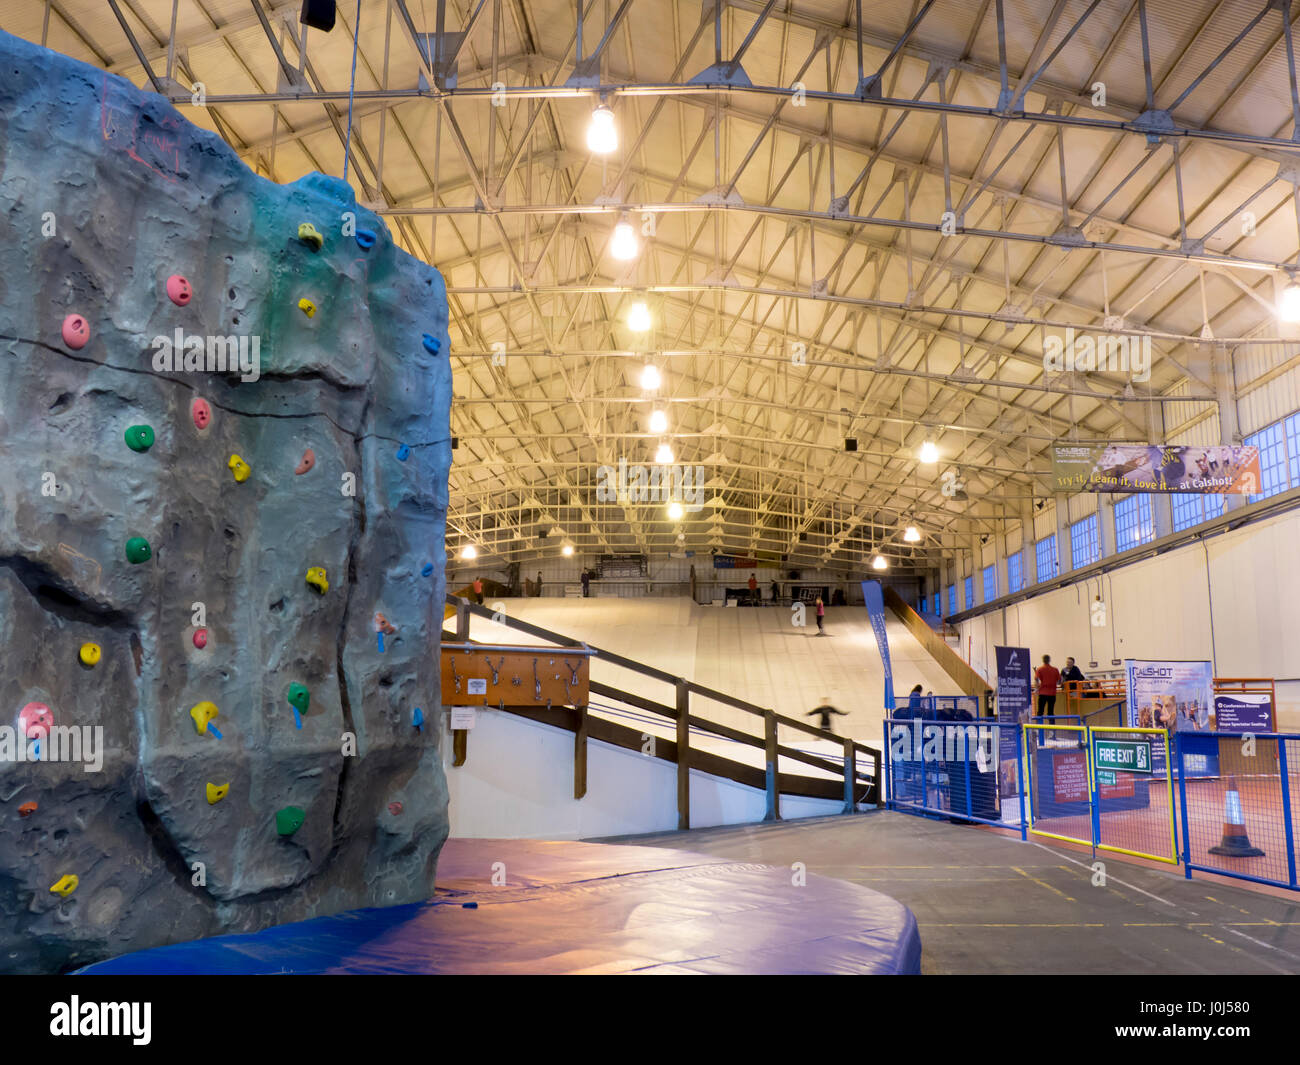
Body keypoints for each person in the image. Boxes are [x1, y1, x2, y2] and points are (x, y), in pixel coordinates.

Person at [1034, 653, 1060, 718]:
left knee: (1040, 711)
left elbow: (1036, 679)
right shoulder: (1055, 669)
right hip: (1052, 693)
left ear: (1043, 660)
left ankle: (1039, 727)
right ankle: (1052, 727)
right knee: (1051, 711)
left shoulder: (1040, 669)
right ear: (1049, 660)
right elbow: (1059, 680)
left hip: (1043, 692)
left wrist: (1037, 688)